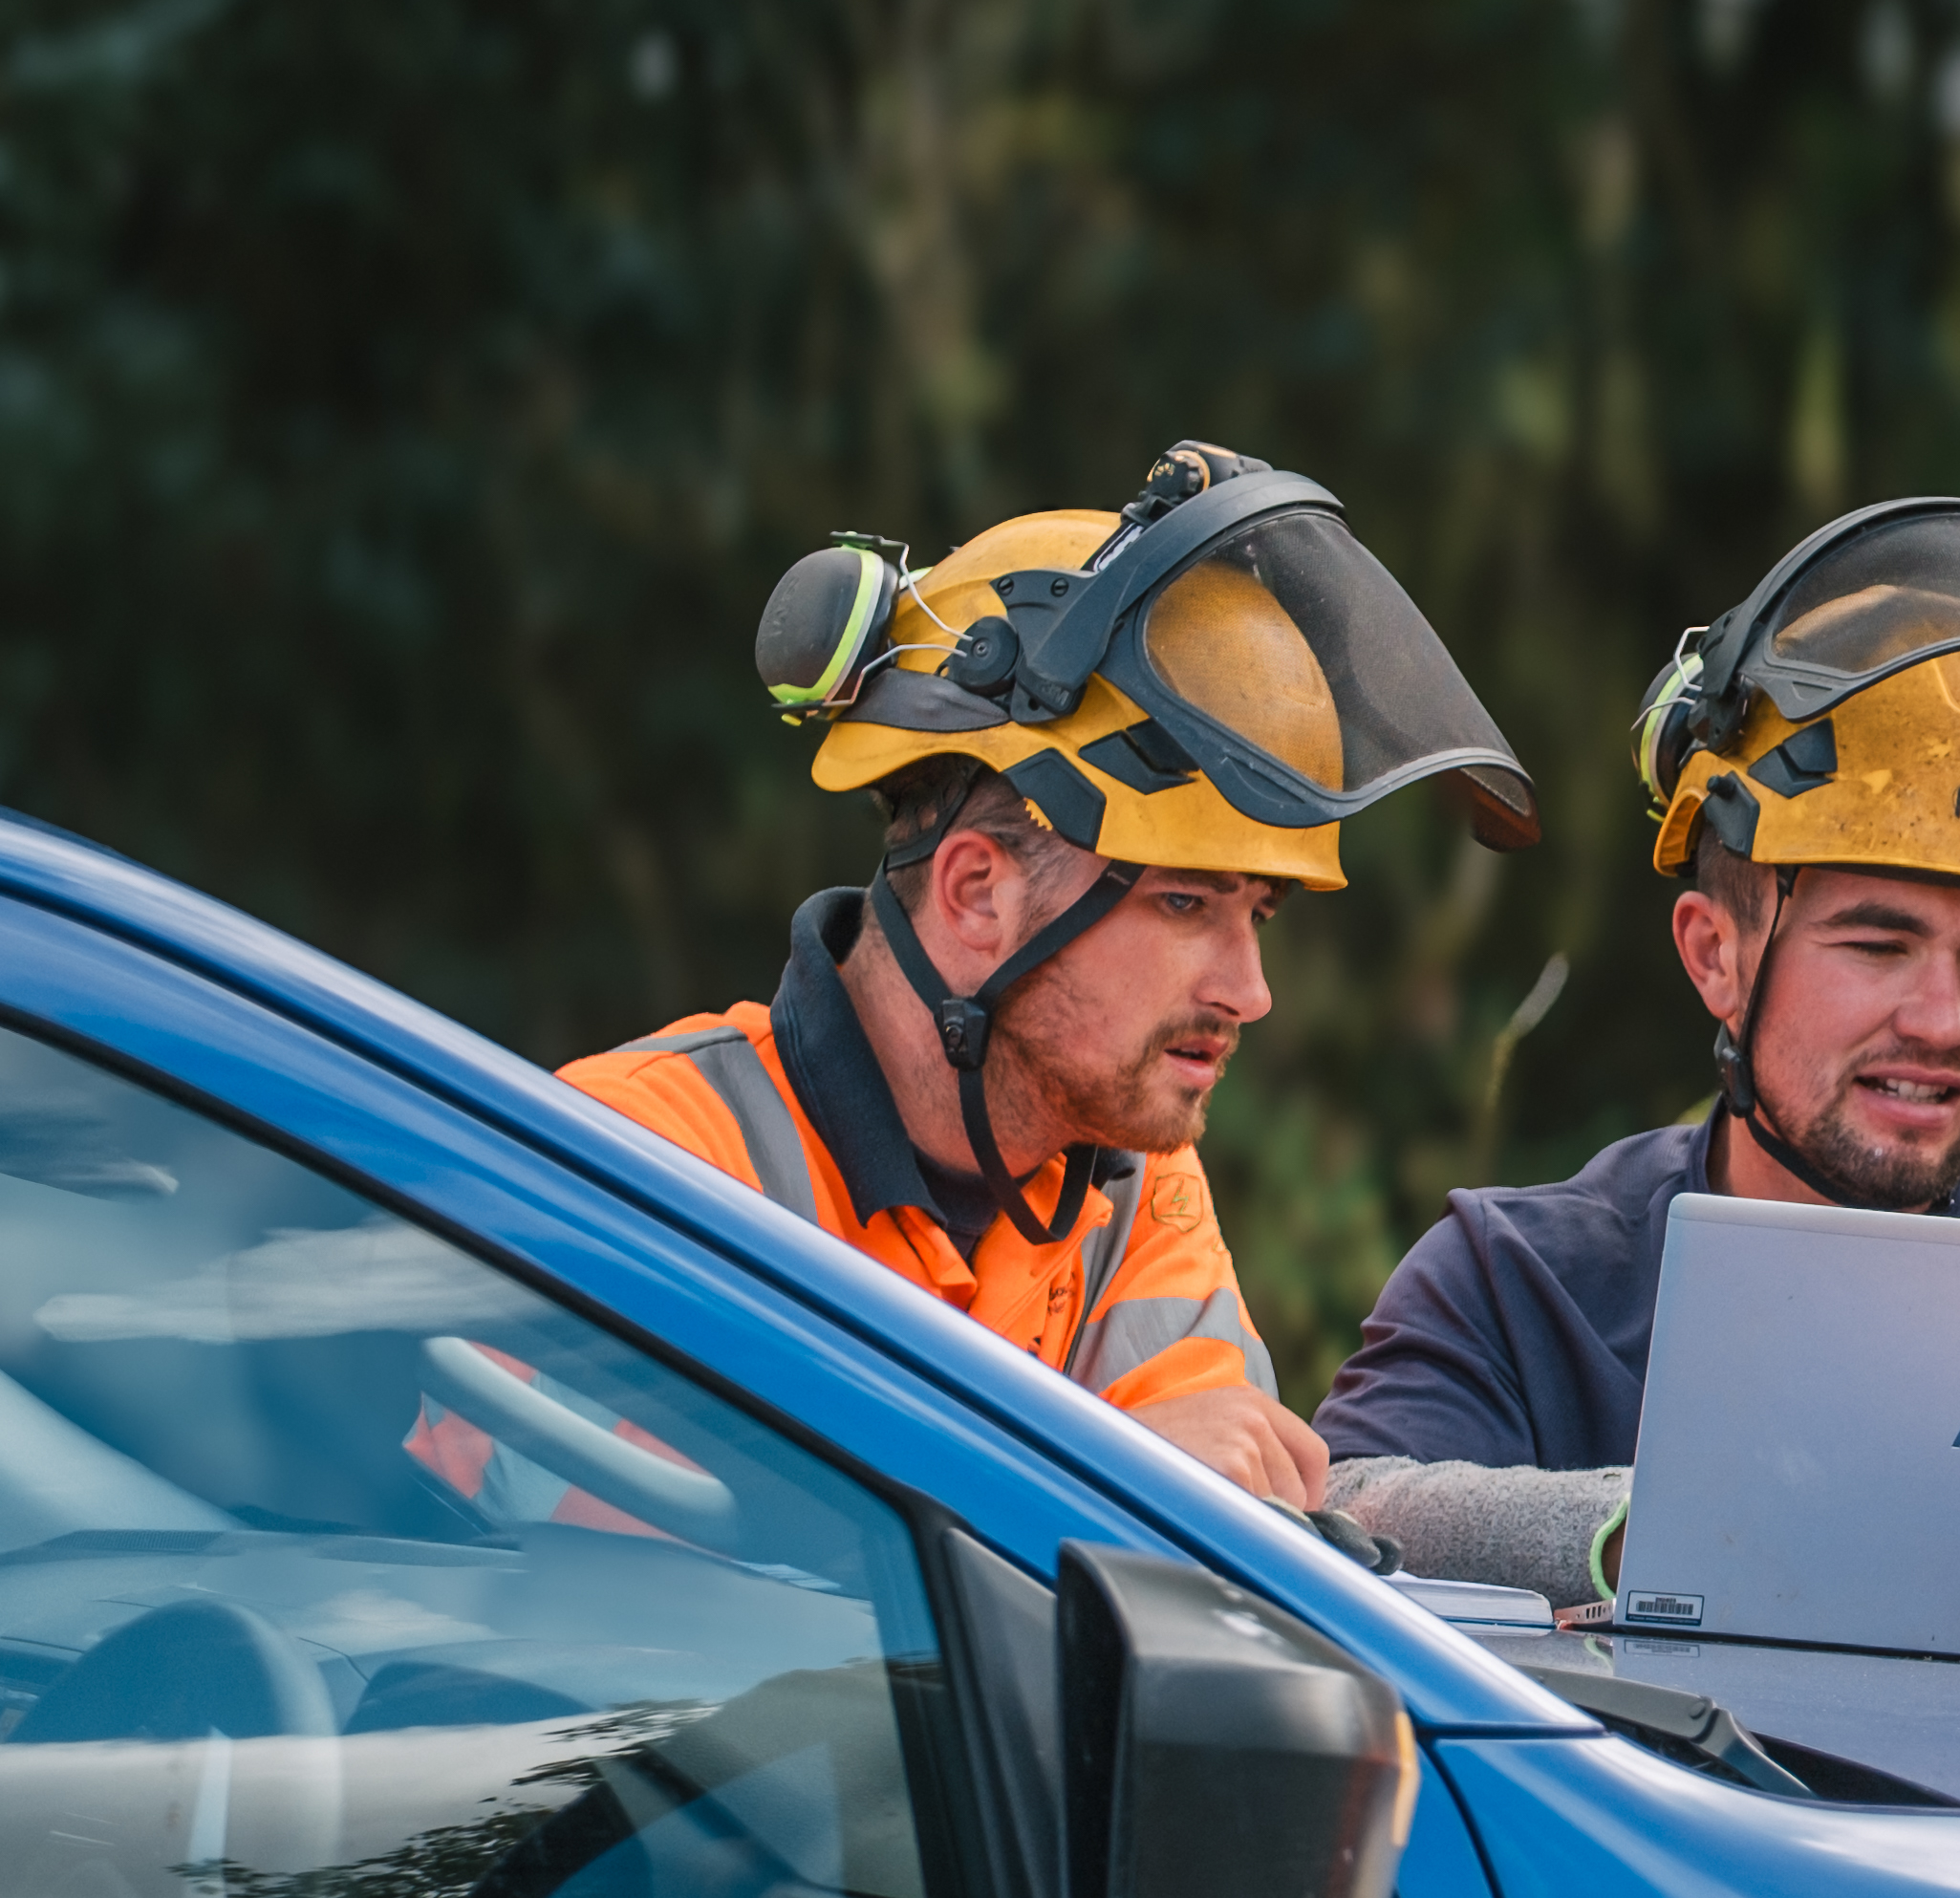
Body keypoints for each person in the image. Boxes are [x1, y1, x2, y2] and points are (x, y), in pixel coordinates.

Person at [571, 440, 1534, 1514]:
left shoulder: (1131, 1186)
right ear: (978, 894)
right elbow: (548, 1579)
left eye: (1257, 913)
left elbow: (1203, 1594)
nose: (1250, 991)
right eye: (1184, 902)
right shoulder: (640, 1153)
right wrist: (1086, 1472)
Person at [1316, 499, 1960, 1603]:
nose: (1944, 1021)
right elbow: (1342, 1513)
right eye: (1879, 943)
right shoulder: (1521, 1287)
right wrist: (1667, 1523)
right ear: (1716, 956)